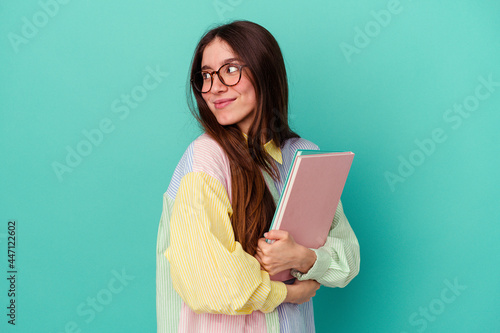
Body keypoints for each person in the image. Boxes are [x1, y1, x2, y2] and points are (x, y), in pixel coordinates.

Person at [156, 20, 360, 333]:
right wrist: (290, 292)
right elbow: (211, 281)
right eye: (206, 75)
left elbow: (347, 259)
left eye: (230, 69)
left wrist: (303, 258)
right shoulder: (206, 158)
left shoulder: (303, 154)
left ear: (264, 71)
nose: (215, 87)